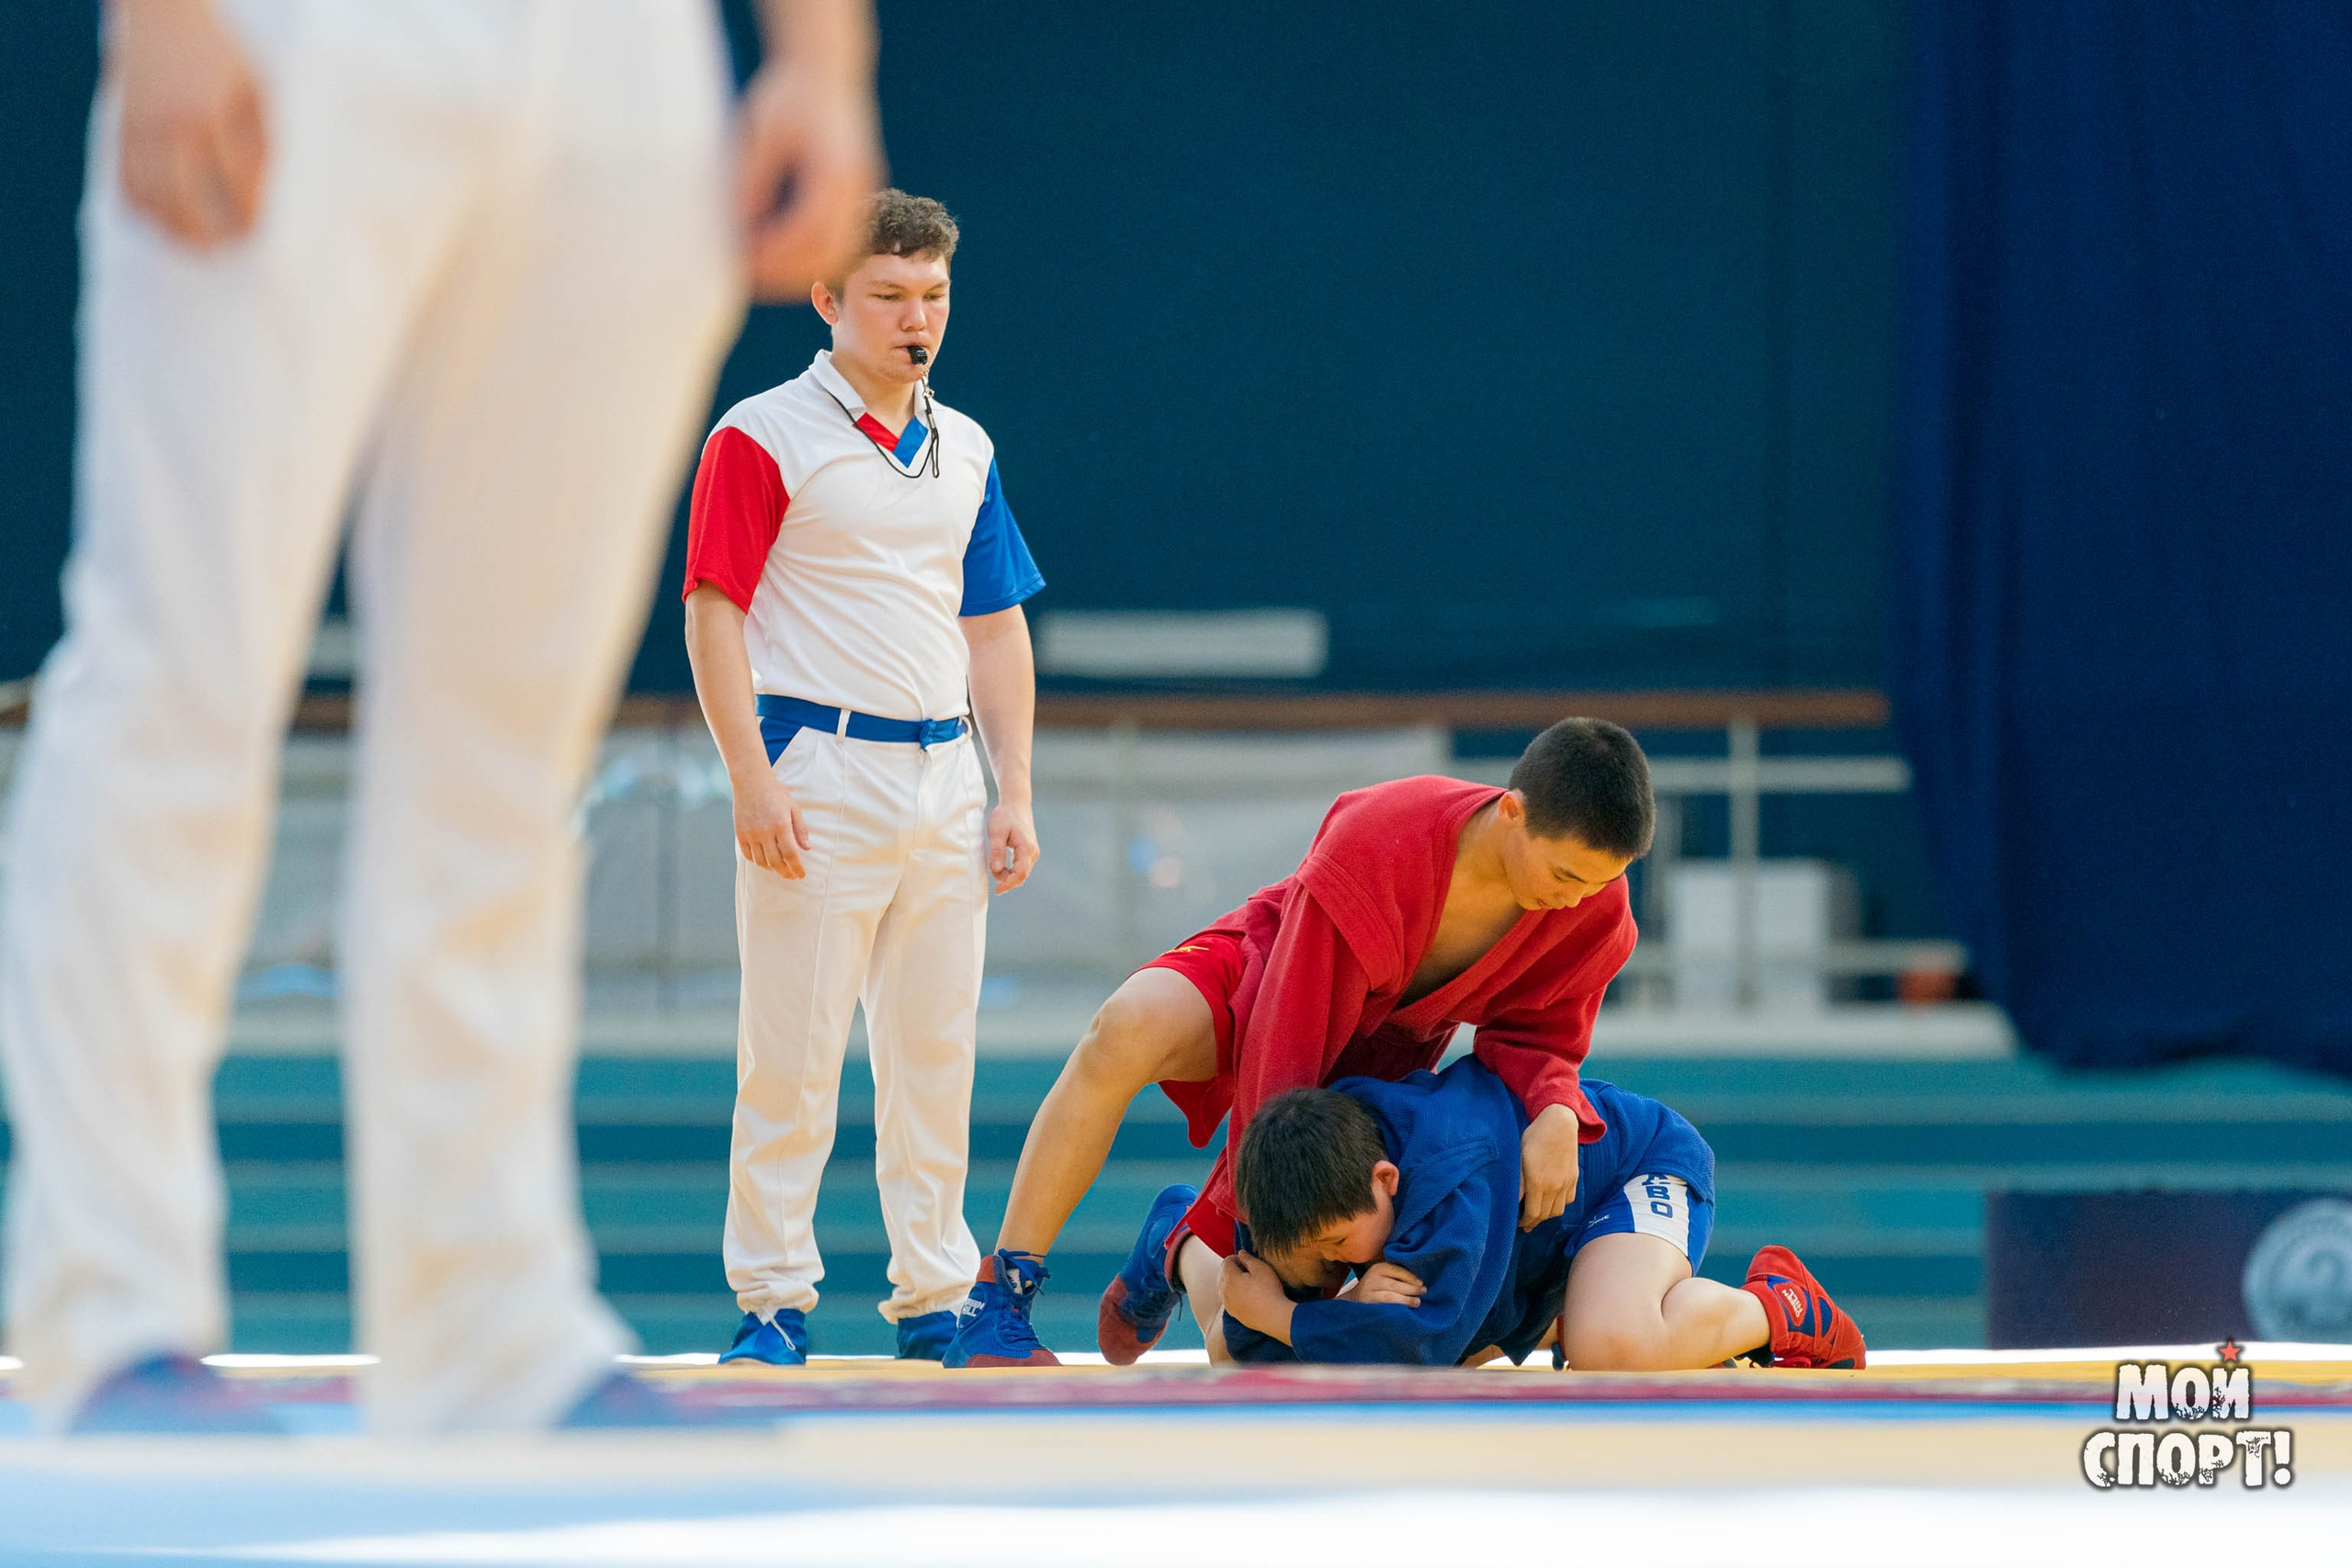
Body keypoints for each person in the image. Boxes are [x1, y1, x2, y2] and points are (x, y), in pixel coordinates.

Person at [0, 0, 881, 1434]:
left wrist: (823, 55)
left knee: (510, 740)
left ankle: (490, 1321)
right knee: (182, 668)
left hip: (623, 58)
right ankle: (111, 1305)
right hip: (297, 31)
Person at [950, 717, 1652, 1368]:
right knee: (1124, 1027)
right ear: (1511, 812)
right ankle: (1003, 1291)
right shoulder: (1385, 834)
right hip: (1277, 969)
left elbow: (1540, 1039)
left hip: (1387, 1067)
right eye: (1564, 875)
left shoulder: (1595, 904)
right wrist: (1249, 1208)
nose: (1574, 898)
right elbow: (1285, 1036)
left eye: (1598, 881)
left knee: (1241, 1349)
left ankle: (1181, 1241)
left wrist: (1557, 1106)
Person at [681, 190, 1045, 1367]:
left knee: (934, 1051)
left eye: (933, 296)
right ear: (828, 299)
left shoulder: (968, 443)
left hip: (944, 771)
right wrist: (750, 776)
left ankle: (936, 1295)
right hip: (817, 764)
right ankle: (773, 1301)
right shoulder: (762, 433)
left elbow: (993, 627)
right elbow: (712, 610)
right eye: (888, 296)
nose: (915, 319)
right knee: (789, 1051)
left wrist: (1016, 787)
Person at [1205, 1058, 1866, 1371]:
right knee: (1244, 1353)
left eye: (1339, 1246)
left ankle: (1783, 1305)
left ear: (1387, 1178)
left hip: (1639, 1166)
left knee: (1610, 1346)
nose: (1340, 1266)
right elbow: (1250, 1343)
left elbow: (1420, 1346)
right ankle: (1178, 1242)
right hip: (1538, 1243)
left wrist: (1283, 1314)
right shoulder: (1325, 1166)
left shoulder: (1450, 1179)